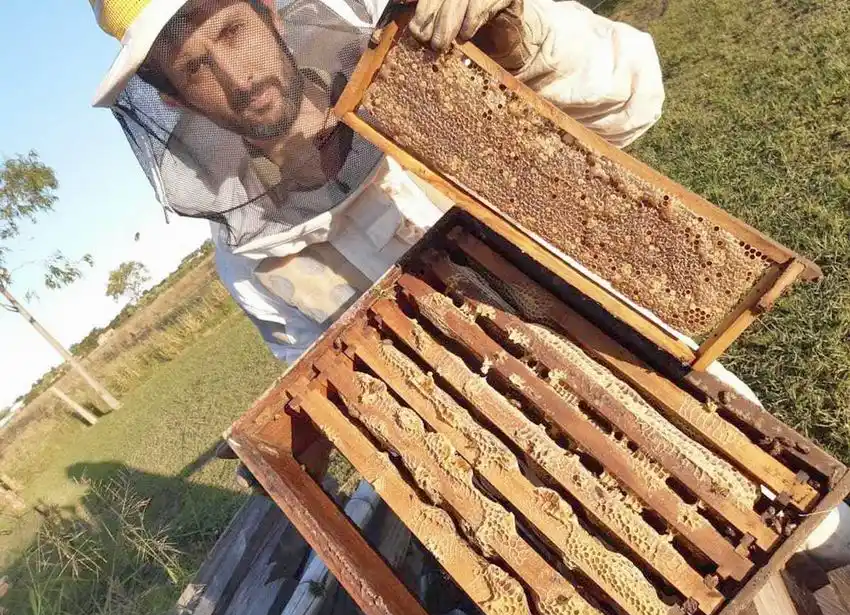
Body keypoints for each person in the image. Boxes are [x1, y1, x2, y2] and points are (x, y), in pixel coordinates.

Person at [88, 0, 669, 366]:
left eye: (233, 32)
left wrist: (525, 37)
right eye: (194, 68)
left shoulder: (423, 67)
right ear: (172, 100)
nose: (236, 79)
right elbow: (327, 377)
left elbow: (633, 101)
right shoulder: (247, 264)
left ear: (269, 14)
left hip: (637, 352)